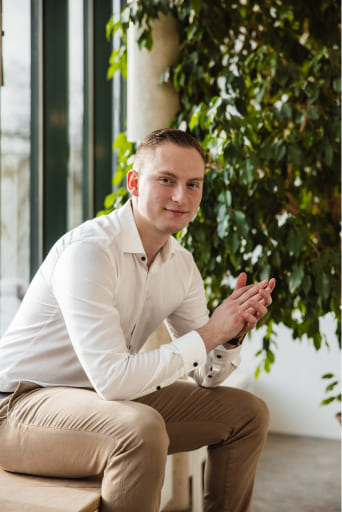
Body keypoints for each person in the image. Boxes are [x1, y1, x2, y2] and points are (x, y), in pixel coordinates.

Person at [0, 128, 276, 512]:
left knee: (249, 414)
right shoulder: (90, 252)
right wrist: (210, 331)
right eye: (167, 180)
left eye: (193, 184)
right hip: (18, 407)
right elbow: (113, 379)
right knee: (140, 429)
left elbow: (205, 377)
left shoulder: (181, 264)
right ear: (134, 183)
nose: (182, 196)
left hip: (99, 402)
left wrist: (228, 337)